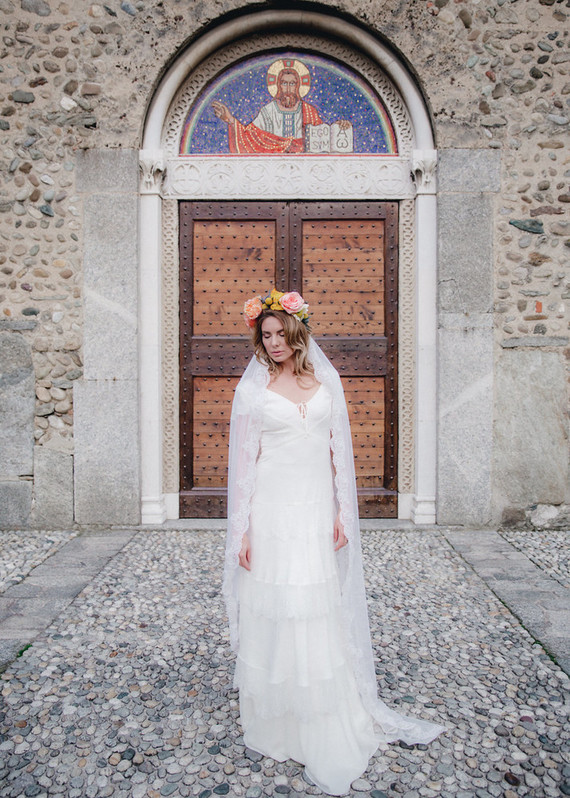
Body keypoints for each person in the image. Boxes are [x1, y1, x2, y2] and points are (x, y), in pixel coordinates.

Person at [223, 289, 446, 796]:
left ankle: (321, 702)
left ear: (297, 333)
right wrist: (243, 529)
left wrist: (344, 510)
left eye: (281, 334)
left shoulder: (327, 382)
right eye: (266, 335)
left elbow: (336, 452)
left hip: (316, 507)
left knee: (316, 600)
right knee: (277, 601)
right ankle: (279, 714)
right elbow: (243, 465)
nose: (274, 343)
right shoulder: (252, 390)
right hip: (272, 510)